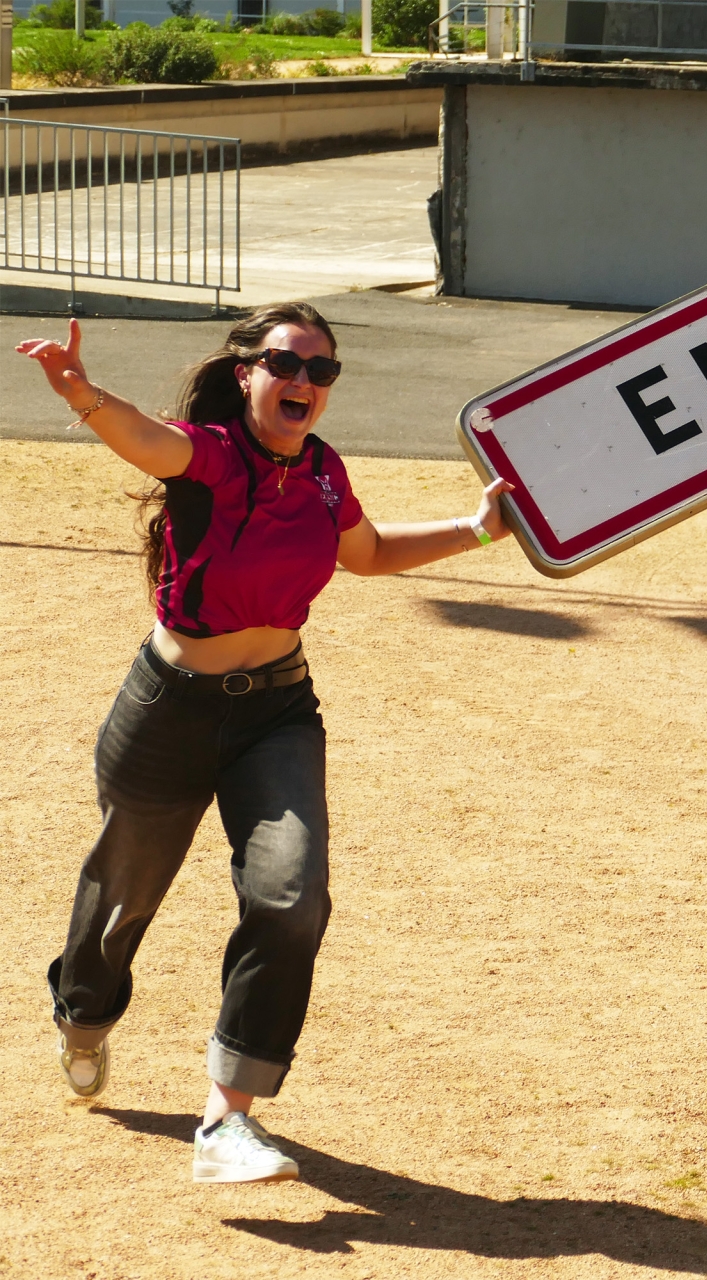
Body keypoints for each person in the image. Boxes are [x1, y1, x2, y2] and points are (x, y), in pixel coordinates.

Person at [16, 305, 514, 1184]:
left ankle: (228, 1118)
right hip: (168, 711)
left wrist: (475, 529)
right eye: (286, 364)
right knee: (121, 895)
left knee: (291, 897)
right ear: (247, 372)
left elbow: (367, 552)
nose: (304, 383)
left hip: (277, 711)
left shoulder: (323, 472)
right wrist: (81, 394)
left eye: (322, 371)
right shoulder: (210, 456)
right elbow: (146, 439)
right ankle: (83, 1015)